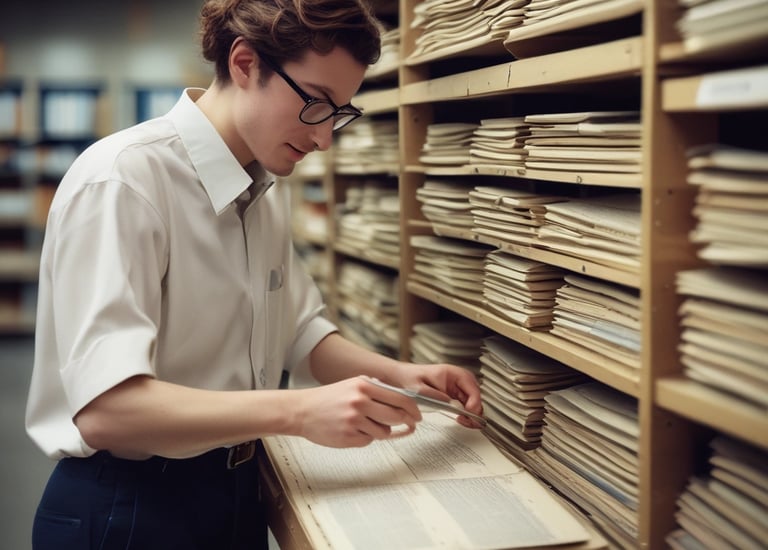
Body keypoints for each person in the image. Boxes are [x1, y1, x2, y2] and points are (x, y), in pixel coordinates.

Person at [25, 0, 484, 548]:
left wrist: (400, 375)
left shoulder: (263, 188)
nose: (324, 139)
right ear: (245, 63)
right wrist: (299, 410)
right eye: (317, 103)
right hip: (128, 507)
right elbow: (107, 411)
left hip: (237, 489)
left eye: (341, 112)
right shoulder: (123, 183)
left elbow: (298, 332)